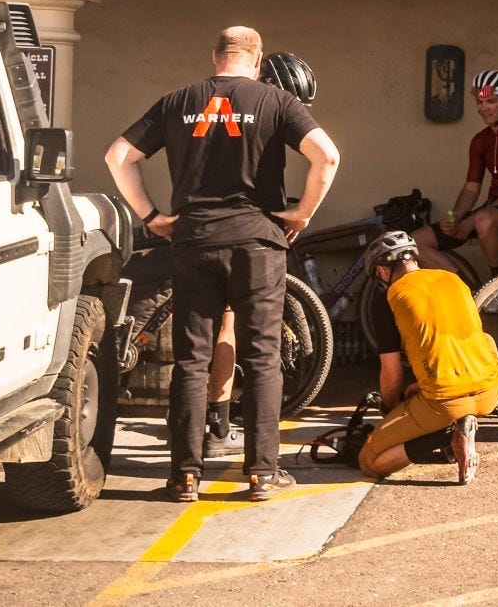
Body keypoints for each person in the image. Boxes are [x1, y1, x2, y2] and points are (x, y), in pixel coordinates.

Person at [105, 28, 340, 502]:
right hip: (258, 244)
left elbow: (118, 156)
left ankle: (184, 477)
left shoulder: (177, 101)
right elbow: (328, 156)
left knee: (191, 361)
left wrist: (151, 217)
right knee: (263, 358)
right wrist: (302, 213)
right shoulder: (277, 101)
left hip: (195, 242)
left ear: (215, 56)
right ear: (257, 60)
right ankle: (261, 474)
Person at [358, 229, 498, 482]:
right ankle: (459, 426)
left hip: (445, 403)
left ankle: (446, 435)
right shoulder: (453, 280)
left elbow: (392, 374)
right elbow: (459, 343)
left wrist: (390, 409)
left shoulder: (387, 299)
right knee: (484, 339)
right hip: (491, 389)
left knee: (370, 462)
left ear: (381, 270)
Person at [422, 69, 498, 307]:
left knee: (483, 220)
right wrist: (456, 217)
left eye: (490, 101)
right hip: (492, 209)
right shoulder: (480, 140)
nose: (483, 108)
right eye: (479, 102)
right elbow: (471, 189)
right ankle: (470, 292)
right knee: (417, 241)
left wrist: (472, 219)